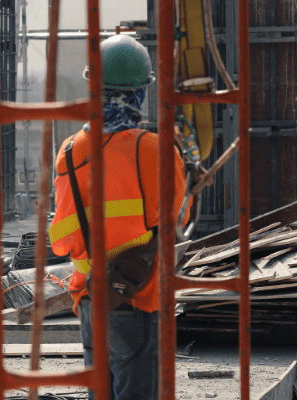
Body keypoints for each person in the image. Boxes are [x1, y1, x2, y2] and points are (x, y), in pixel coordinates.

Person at [47, 35, 189, 400]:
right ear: (140, 93)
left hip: (92, 298)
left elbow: (60, 240)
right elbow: (177, 222)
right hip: (137, 297)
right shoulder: (156, 150)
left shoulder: (71, 151)